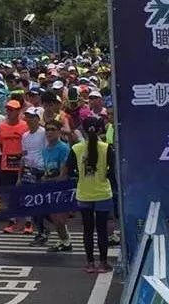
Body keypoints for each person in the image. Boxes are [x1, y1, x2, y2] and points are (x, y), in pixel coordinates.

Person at [68, 116, 115, 274]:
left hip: (84, 194)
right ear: (100, 129)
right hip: (103, 193)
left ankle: (90, 263)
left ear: (83, 130)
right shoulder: (106, 147)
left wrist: (80, 176)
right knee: (102, 229)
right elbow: (112, 170)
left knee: (88, 230)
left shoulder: (76, 148)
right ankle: (103, 263)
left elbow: (70, 170)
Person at [0, 100, 29, 234]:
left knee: (25, 194)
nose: (9, 112)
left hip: (22, 165)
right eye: (8, 109)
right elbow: (0, 144)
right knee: (10, 195)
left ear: (18, 111)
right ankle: (12, 221)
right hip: (6, 166)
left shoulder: (25, 126)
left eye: (12, 109)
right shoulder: (1, 126)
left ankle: (27, 222)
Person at [41, 120, 73, 252]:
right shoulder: (45, 150)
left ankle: (65, 241)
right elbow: (47, 169)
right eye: (47, 129)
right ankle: (64, 240)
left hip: (61, 188)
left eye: (53, 129)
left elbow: (63, 173)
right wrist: (44, 178)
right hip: (49, 187)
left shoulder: (63, 148)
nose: (49, 132)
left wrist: (52, 180)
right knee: (54, 217)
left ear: (59, 132)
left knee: (59, 218)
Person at [20, 108, 46, 244]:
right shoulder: (25, 136)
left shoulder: (44, 133)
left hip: (41, 171)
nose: (29, 120)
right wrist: (19, 176)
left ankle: (43, 231)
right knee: (31, 204)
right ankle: (41, 231)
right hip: (28, 172)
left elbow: (48, 151)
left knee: (40, 204)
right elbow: (23, 156)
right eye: (27, 117)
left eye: (32, 117)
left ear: (37, 118)